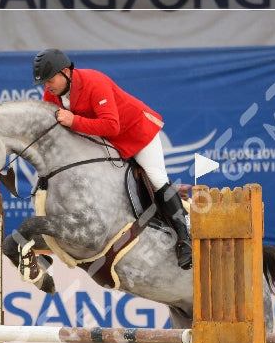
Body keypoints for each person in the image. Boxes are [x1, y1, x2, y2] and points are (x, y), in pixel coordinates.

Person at [31, 48, 192, 270]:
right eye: (43, 82)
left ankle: (185, 241)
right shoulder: (52, 94)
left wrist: (74, 120)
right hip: (106, 143)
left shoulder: (94, 82)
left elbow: (112, 125)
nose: (47, 86)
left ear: (66, 72)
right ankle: (46, 249)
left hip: (137, 132)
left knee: (157, 179)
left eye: (50, 79)